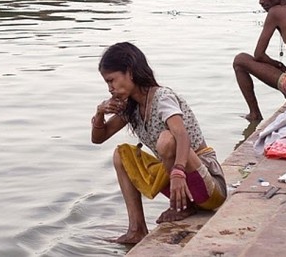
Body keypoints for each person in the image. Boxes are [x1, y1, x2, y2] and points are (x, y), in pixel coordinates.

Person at [91, 42, 227, 245]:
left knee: (167, 139)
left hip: (209, 186)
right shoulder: (132, 107)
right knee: (121, 155)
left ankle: (183, 206)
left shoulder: (162, 97)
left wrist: (179, 171)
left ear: (129, 72)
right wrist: (100, 112)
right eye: (107, 83)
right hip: (180, 185)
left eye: (112, 81)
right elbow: (98, 138)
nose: (110, 89)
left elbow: (181, 136)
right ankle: (136, 228)